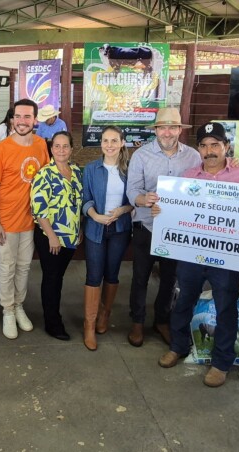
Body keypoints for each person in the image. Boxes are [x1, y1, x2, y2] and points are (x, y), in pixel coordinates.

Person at [153, 122, 239, 387]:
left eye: (215, 144)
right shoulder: (188, 177)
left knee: (226, 305)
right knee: (184, 298)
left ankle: (222, 362)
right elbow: (174, 212)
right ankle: (178, 346)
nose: (209, 150)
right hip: (192, 253)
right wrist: (161, 212)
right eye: (204, 145)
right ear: (198, 148)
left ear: (226, 146)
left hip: (226, 256)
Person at [125, 107, 201, 346]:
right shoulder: (141, 155)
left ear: (180, 130)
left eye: (172, 127)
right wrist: (142, 199)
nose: (167, 132)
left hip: (176, 230)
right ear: (156, 130)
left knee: (170, 279)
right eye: (162, 127)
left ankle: (161, 320)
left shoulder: (193, 157)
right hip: (146, 225)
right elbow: (132, 190)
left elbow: (203, 186)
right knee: (140, 278)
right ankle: (137, 322)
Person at [0, 99, 49, 339]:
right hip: (7, 222)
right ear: (12, 119)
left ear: (35, 120)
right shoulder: (0, 149)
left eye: (27, 117)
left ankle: (19, 306)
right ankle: (7, 310)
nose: (22, 121)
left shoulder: (42, 145)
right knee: (7, 268)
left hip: (31, 221)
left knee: (24, 267)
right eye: (18, 116)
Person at [80, 125, 133, 351]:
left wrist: (121, 211)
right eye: (105, 141)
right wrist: (95, 216)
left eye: (114, 140)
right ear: (100, 143)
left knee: (112, 274)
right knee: (94, 275)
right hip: (96, 228)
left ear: (122, 143)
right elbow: (85, 198)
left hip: (119, 229)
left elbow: (135, 198)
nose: (109, 145)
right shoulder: (92, 169)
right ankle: (89, 324)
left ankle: (105, 314)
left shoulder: (130, 169)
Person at [31, 130, 82, 341]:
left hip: (71, 237)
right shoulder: (44, 174)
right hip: (50, 237)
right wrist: (52, 236)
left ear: (71, 149)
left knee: (58, 278)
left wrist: (80, 231)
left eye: (65, 146)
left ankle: (53, 314)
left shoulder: (77, 171)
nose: (61, 150)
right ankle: (52, 322)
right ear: (51, 150)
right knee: (52, 279)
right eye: (57, 146)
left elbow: (78, 204)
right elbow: (38, 209)